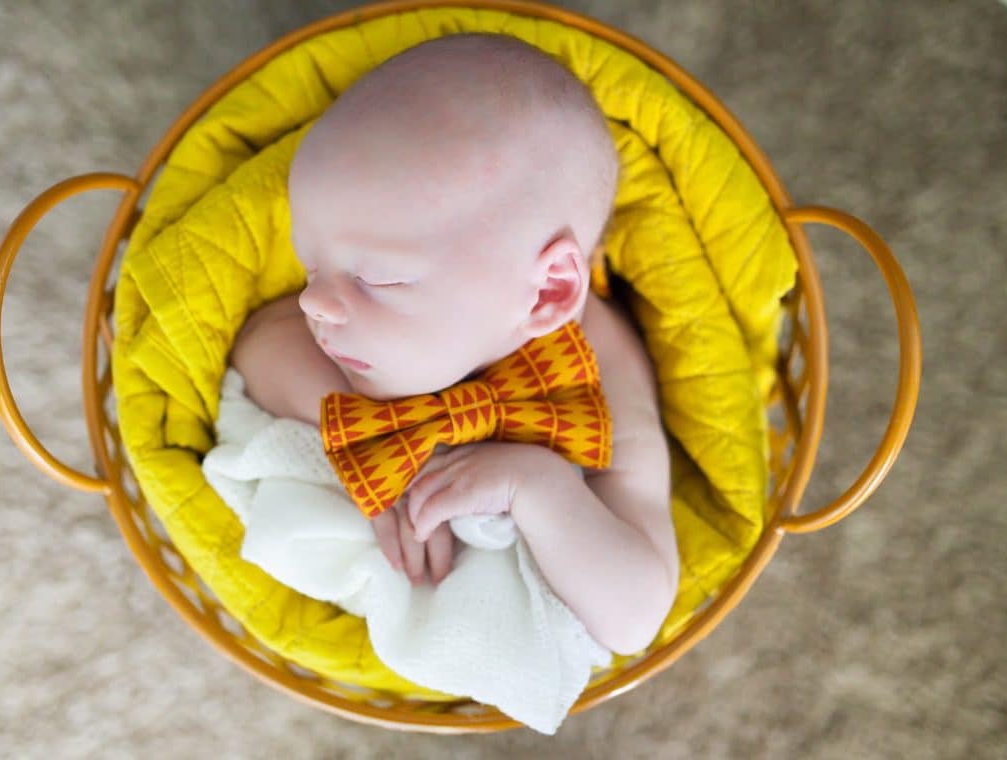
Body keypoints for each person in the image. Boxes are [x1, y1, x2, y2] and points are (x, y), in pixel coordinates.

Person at [230, 33, 677, 654]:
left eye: (380, 278)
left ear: (546, 293)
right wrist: (387, 447)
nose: (314, 303)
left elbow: (637, 614)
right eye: (310, 266)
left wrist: (539, 487)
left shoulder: (597, 373)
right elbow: (257, 344)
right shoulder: (345, 299)